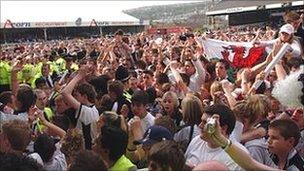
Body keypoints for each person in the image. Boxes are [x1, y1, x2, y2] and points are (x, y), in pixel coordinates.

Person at [185, 104, 246, 170]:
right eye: (201, 121)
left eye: (205, 123)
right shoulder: (196, 141)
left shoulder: (238, 157)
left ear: (223, 128)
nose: (200, 126)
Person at [61, 64, 99, 150]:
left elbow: (65, 93)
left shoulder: (87, 111)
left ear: (85, 97)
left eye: (76, 95)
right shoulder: (92, 108)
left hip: (86, 152)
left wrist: (79, 75)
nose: (74, 98)